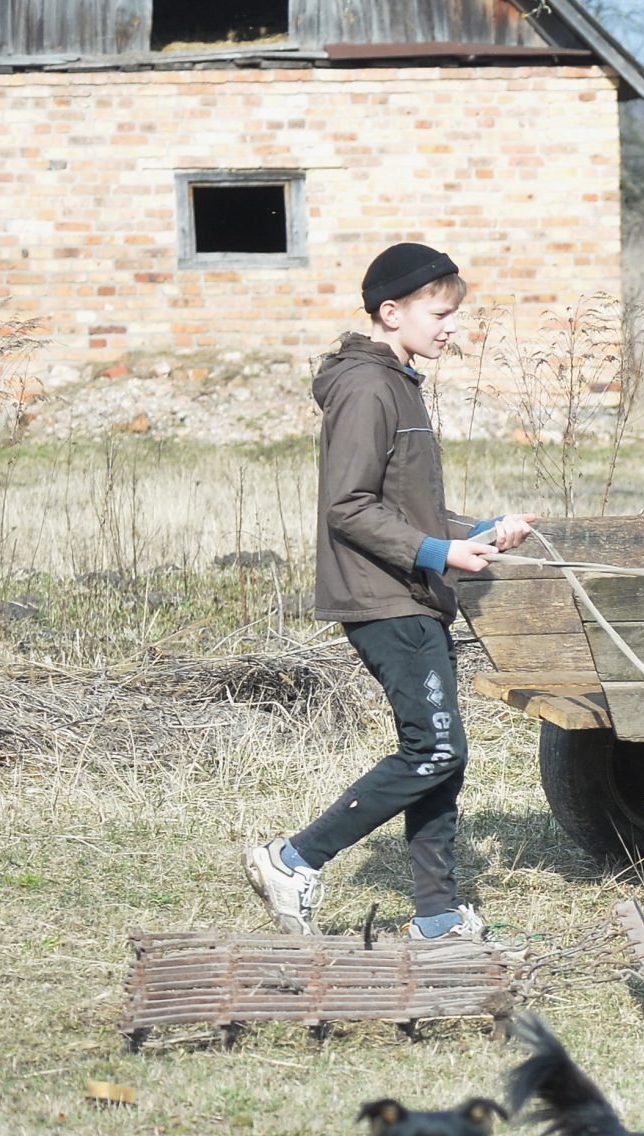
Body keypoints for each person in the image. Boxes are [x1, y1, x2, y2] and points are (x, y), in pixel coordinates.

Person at [244, 242, 534, 940]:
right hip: (383, 598)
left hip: (411, 592)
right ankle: (294, 858)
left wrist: (482, 531)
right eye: (440, 313)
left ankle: (435, 918)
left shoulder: (400, 382)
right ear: (391, 310)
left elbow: (402, 507)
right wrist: (437, 552)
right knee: (434, 750)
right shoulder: (367, 388)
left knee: (442, 754)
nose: (451, 327)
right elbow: (347, 504)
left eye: (454, 314)